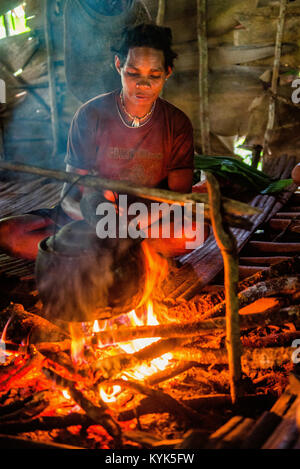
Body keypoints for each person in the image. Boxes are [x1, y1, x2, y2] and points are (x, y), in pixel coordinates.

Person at [0, 23, 207, 260]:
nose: (143, 85)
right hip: (89, 221)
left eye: (155, 75)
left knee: (194, 232)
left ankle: (92, 258)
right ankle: (124, 257)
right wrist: (100, 221)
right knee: (8, 233)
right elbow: (69, 198)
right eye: (133, 73)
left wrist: (128, 224)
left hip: (147, 221)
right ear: (119, 65)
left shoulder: (177, 124)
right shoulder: (91, 115)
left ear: (168, 72)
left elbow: (179, 200)